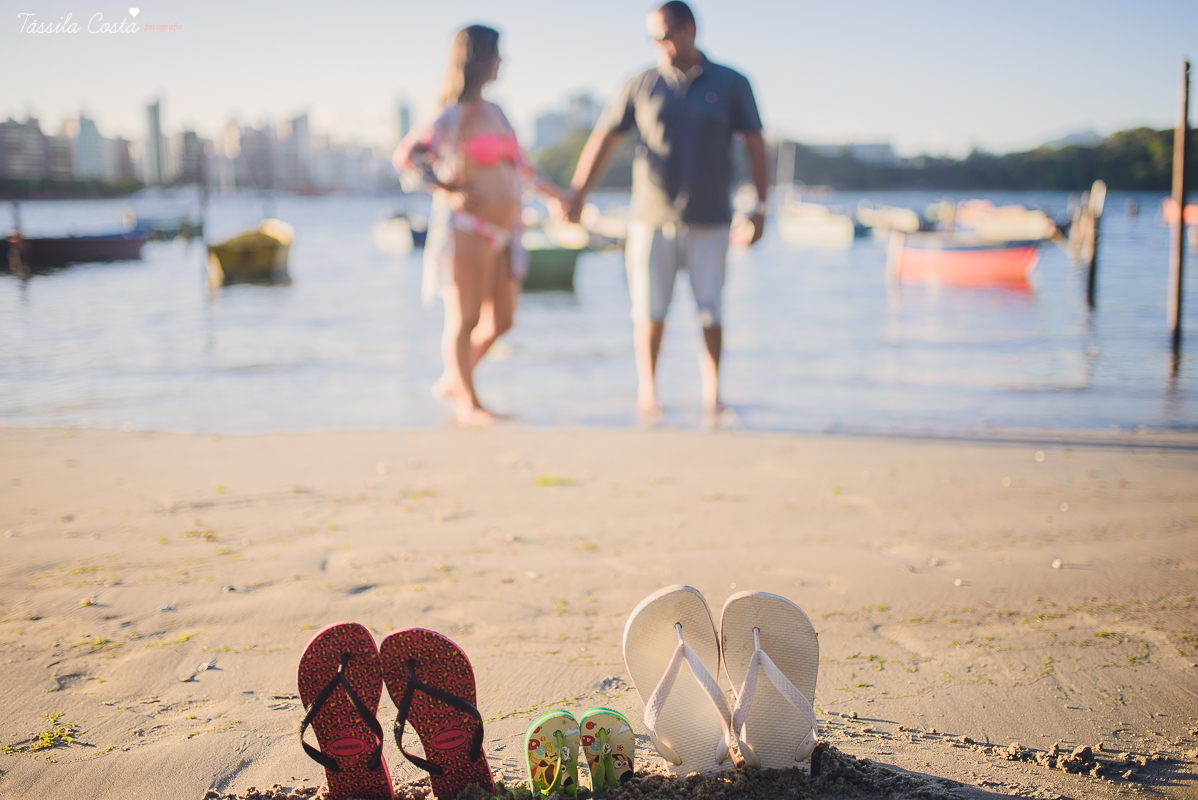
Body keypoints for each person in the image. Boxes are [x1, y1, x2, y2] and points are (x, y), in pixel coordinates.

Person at [562, 1, 768, 421]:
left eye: (663, 36)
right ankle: (649, 392)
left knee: (711, 310)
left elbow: (755, 144)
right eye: (652, 38)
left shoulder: (732, 82)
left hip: (710, 217)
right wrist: (578, 193)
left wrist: (760, 206)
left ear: (688, 30)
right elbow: (605, 138)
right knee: (649, 311)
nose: (658, 45)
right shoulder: (640, 83)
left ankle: (713, 394)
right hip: (650, 218)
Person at [394, 25, 563, 426]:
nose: (503, 61)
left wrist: (558, 198)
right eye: (497, 53)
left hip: (506, 232)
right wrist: (447, 189)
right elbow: (408, 156)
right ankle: (468, 404)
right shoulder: (453, 113)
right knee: (465, 318)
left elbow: (524, 167)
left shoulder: (497, 112)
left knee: (502, 320)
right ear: (480, 58)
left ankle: (456, 380)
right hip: (468, 227)